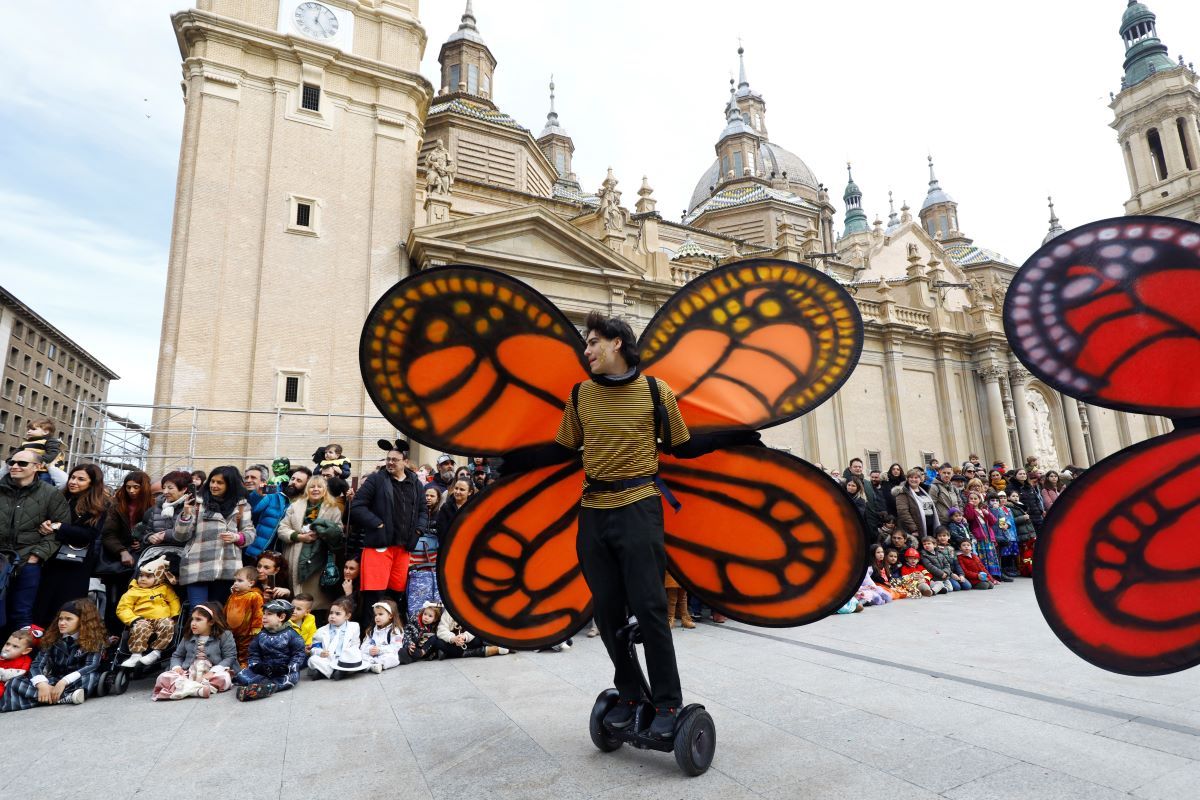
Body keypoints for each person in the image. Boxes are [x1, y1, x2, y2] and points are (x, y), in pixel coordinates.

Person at [504, 310, 758, 740]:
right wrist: (509, 462)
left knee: (650, 608)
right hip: (594, 509)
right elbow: (562, 450)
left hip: (640, 505)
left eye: (592, 343)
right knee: (606, 610)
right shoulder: (581, 395)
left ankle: (666, 700)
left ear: (617, 342)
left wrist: (735, 435)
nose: (585, 351)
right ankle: (628, 694)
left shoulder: (657, 392)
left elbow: (683, 445)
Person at [348, 440, 428, 614]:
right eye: (388, 459)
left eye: (395, 460)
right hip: (379, 546)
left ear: (405, 462)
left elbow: (423, 511)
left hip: (403, 548)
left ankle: (393, 635)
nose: (390, 462)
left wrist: (418, 530)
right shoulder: (376, 480)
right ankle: (369, 634)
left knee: (395, 594)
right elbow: (357, 506)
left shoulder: (415, 483)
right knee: (374, 595)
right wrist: (377, 523)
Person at [1, 450, 70, 633]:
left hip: (28, 561)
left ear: (37, 467)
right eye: (12, 462)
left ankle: (17, 660)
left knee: (21, 614)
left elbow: (60, 528)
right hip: (0, 558)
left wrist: (37, 556)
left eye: (22, 463)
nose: (15, 466)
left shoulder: (50, 494)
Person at [32, 463, 109, 629]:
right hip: (51, 559)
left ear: (92, 483)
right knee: (42, 606)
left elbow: (90, 534)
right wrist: (46, 525)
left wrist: (60, 527)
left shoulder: (98, 506)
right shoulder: (60, 497)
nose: (74, 482)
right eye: (73, 477)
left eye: (81, 479)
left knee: (66, 608)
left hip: (75, 565)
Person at [0, 599, 105, 711]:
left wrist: (64, 681)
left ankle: (40, 698)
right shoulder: (52, 638)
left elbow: (91, 665)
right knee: (16, 681)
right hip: (54, 680)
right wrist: (42, 684)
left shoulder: (94, 640)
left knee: (92, 677)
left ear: (82, 621)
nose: (62, 623)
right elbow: (37, 665)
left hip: (74, 680)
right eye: (60, 619)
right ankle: (63, 698)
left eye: (68, 619)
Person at [173, 465, 255, 607]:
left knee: (218, 615)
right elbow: (180, 536)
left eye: (220, 482)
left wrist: (237, 537)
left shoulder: (241, 505)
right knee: (198, 612)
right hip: (197, 566)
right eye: (212, 481)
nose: (214, 485)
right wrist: (186, 514)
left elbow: (250, 533)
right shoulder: (198, 503)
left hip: (227, 569)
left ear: (230, 485)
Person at [277, 475, 343, 609]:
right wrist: (300, 537)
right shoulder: (295, 506)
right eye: (312, 486)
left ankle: (315, 618)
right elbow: (282, 529)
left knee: (316, 596)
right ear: (307, 489)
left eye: (319, 486)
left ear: (325, 490)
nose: (315, 489)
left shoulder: (333, 508)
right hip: (295, 554)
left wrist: (323, 532)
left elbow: (339, 532)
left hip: (320, 556)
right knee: (297, 593)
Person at [152, 602, 237, 700]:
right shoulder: (188, 636)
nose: (193, 623)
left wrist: (213, 672)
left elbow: (230, 657)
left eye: (198, 619)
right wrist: (177, 667)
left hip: (211, 672)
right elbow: (177, 656)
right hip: (189, 672)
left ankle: (185, 688)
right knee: (163, 677)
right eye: (192, 619)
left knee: (224, 677)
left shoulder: (224, 635)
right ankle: (197, 690)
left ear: (211, 622)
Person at [115, 555, 181, 668]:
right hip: (141, 619)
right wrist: (133, 619)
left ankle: (156, 652)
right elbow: (123, 608)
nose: (143, 579)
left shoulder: (165, 589)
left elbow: (174, 601)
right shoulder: (133, 591)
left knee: (168, 624)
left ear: (159, 577)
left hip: (162, 619)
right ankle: (136, 655)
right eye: (141, 576)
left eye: (148, 576)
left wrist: (174, 615)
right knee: (141, 626)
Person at [234, 598, 306, 701]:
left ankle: (264, 687)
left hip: (283, 671)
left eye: (269, 614)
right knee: (242, 674)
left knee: (289, 680)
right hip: (265, 669)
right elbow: (253, 653)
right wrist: (257, 666)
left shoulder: (292, 635)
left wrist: (288, 668)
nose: (264, 617)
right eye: (264, 614)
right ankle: (258, 686)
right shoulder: (261, 635)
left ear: (281, 617)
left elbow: (298, 654)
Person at [307, 597, 365, 680]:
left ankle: (322, 672)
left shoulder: (354, 626)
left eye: (338, 614)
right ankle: (336, 672)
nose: (332, 616)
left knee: (358, 658)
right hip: (328, 658)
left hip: (345, 659)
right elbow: (315, 647)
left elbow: (355, 644)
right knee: (312, 660)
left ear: (347, 616)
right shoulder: (321, 631)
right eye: (331, 613)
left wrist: (350, 654)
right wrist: (320, 652)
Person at [0, 419, 66, 487]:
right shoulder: (26, 443)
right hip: (29, 467)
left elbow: (53, 452)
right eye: (28, 429)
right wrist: (10, 459)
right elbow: (16, 453)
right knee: (6, 470)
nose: (29, 431)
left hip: (43, 469)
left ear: (46, 432)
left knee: (43, 481)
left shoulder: (50, 441)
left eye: (33, 429)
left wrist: (42, 460)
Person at [242, 464, 288, 561]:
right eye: (246, 477)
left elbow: (253, 510)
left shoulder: (272, 497)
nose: (248, 480)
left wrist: (257, 495)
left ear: (263, 482)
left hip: (257, 552)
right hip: (238, 544)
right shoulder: (238, 496)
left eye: (253, 477)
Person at [137, 471, 193, 547]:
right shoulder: (157, 508)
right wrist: (150, 537)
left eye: (170, 488)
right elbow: (146, 532)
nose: (165, 492)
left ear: (183, 489)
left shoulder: (192, 507)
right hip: (156, 550)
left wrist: (166, 535)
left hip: (183, 552)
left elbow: (191, 535)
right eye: (163, 488)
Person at [437, 606, 511, 659]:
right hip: (453, 642)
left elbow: (476, 627)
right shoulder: (449, 611)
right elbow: (441, 629)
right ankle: (469, 652)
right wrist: (453, 638)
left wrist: (465, 637)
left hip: (468, 641)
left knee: (478, 639)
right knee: (436, 640)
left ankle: (448, 652)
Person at [225, 567, 263, 668]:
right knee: (233, 648)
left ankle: (245, 667)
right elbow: (227, 609)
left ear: (251, 583)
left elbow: (258, 613)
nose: (236, 583)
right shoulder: (233, 595)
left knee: (245, 650)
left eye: (240, 581)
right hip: (232, 630)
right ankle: (234, 666)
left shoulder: (254, 596)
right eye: (235, 580)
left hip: (247, 632)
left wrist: (256, 628)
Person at [964, 490, 1006, 582]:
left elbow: (993, 521)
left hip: (988, 535)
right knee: (982, 556)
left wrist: (987, 513)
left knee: (991, 555)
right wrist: (970, 506)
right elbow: (969, 517)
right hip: (979, 536)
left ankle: (994, 576)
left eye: (975, 498)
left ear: (980, 499)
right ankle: (985, 576)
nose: (973, 500)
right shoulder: (969, 508)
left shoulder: (984, 509)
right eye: (971, 499)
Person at [894, 467, 937, 542]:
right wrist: (913, 529)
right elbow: (903, 513)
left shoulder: (925, 490)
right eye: (911, 477)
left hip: (929, 527)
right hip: (915, 530)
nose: (913, 479)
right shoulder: (902, 492)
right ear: (907, 479)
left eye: (916, 477)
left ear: (920, 479)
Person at [360, 599, 404, 673]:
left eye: (380, 614)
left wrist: (380, 650)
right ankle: (368, 665)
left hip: (384, 655)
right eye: (375, 615)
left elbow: (397, 646)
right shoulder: (371, 630)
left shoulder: (395, 630)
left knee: (393, 658)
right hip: (371, 656)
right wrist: (369, 650)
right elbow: (363, 645)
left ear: (390, 615)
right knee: (359, 653)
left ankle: (378, 665)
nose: (377, 617)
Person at [0, 627, 38, 699]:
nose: (7, 648)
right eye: (7, 644)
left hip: (8, 687)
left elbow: (16, 674)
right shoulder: (2, 657)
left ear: (26, 651)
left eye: (15, 646)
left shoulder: (25, 661)